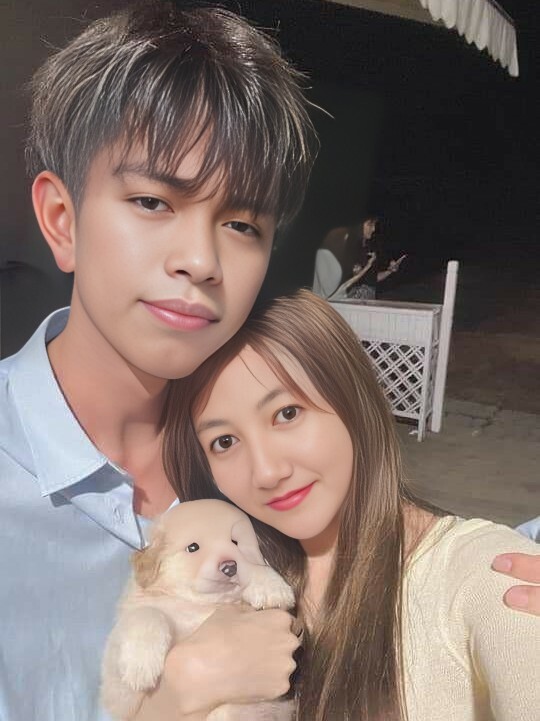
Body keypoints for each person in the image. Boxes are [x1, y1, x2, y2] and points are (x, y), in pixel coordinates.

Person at [0, 4, 317, 720]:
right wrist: (177, 697)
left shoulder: (263, 454)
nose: (201, 260)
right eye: (151, 200)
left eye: (241, 223)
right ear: (62, 220)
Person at [164, 289, 539, 721]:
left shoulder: (489, 576)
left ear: (353, 400)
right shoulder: (230, 585)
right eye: (225, 441)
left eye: (287, 413)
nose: (266, 471)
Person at [323, 216, 406, 300]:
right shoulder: (348, 247)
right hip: (352, 298)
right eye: (370, 225)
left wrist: (389, 271)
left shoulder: (369, 248)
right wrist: (356, 272)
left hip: (369, 298)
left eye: (374, 225)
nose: (373, 229)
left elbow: (372, 280)